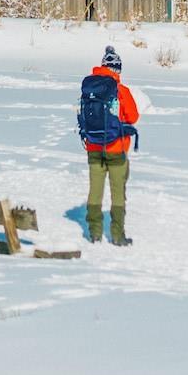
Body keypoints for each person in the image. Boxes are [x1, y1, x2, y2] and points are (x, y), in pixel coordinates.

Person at [79, 44, 141, 246]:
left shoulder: (89, 88)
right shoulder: (120, 90)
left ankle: (94, 233)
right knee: (118, 192)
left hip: (93, 147)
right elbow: (133, 117)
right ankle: (117, 235)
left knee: (95, 191)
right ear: (118, 68)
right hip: (116, 148)